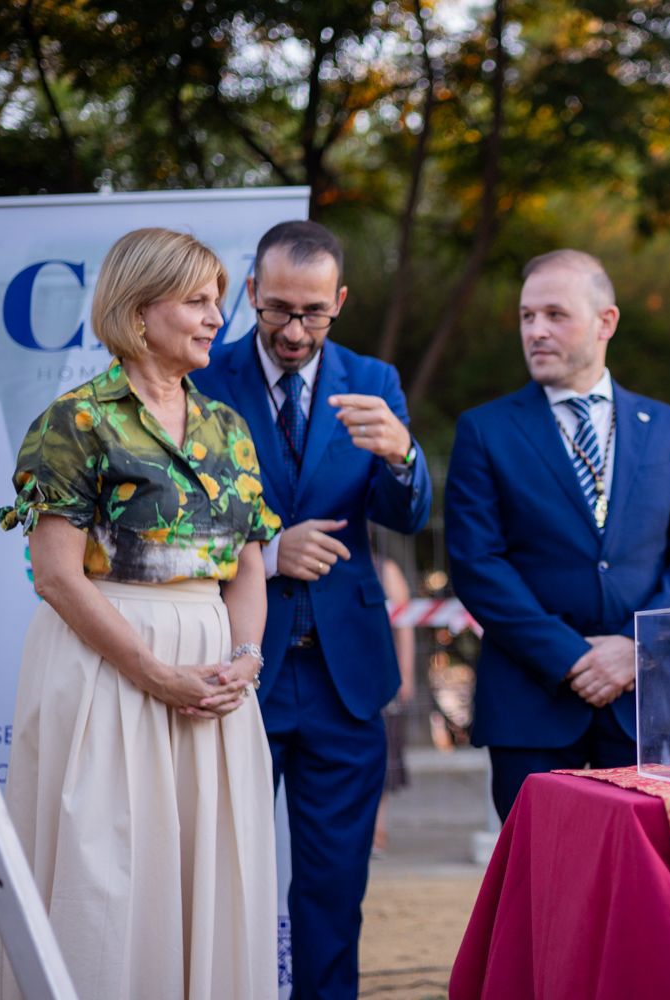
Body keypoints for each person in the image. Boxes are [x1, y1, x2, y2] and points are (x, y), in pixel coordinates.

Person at [0, 227, 279, 999]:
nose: (216, 318)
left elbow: (249, 563)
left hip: (215, 679)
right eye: (196, 300)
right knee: (104, 873)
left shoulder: (229, 428)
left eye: (217, 300)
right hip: (106, 668)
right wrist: (154, 673)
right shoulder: (74, 421)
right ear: (138, 310)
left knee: (205, 870)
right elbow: (56, 576)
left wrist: (246, 659)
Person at [191, 220, 432, 999]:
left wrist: (402, 454)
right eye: (278, 310)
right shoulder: (202, 378)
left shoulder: (375, 379)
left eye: (314, 313)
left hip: (345, 679)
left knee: (332, 893)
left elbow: (407, 514)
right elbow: (177, 522)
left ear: (341, 302)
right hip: (235, 671)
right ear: (251, 293)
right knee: (218, 883)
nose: (295, 331)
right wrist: (267, 549)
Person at [445, 248, 670, 820]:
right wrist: (573, 658)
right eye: (527, 316)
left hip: (645, 703)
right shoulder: (485, 430)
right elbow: (477, 564)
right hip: (530, 702)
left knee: (647, 868)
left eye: (555, 314)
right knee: (542, 870)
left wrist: (636, 647)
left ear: (606, 321)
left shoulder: (668, 427)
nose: (536, 331)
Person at [371, 554, 415, 858]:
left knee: (386, 758)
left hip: (382, 678)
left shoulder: (386, 569)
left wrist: (406, 674)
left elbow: (405, 627)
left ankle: (378, 830)